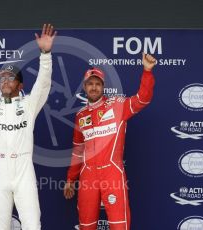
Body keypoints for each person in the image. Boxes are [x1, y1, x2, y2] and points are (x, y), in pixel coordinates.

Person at [0, 17, 56, 230]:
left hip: (23, 170)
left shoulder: (28, 105)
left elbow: (43, 85)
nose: (5, 81)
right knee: (0, 226)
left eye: (10, 77)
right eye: (2, 77)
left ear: (20, 84)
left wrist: (45, 55)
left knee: (33, 225)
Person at [63, 53, 156, 230]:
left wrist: (147, 71)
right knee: (86, 225)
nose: (94, 87)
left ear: (103, 86)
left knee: (119, 225)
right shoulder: (80, 115)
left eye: (98, 84)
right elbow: (78, 150)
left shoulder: (117, 105)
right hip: (88, 175)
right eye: (90, 84)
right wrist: (70, 179)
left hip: (112, 171)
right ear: (84, 87)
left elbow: (142, 99)